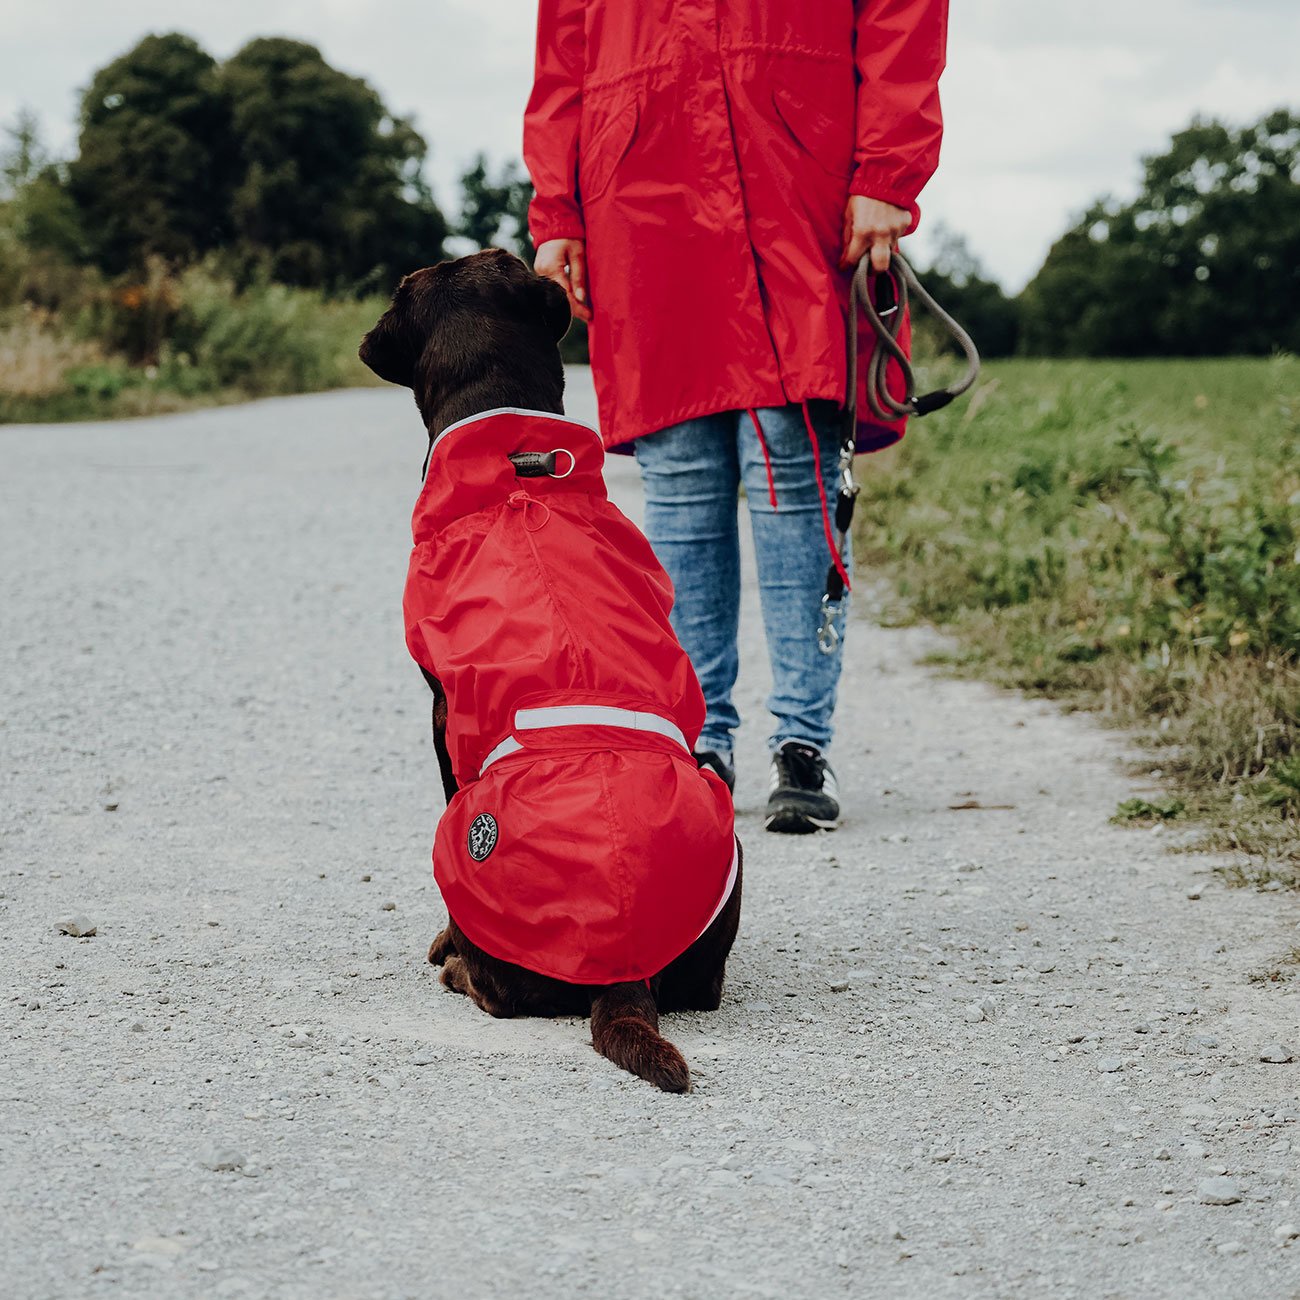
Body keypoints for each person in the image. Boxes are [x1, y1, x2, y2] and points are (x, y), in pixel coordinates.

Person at [524, 1, 947, 833]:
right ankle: (697, 739)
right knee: (680, 483)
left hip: (794, 174)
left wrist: (886, 175)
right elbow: (562, 52)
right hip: (640, 186)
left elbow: (904, 15)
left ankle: (802, 741)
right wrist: (557, 211)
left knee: (794, 469)